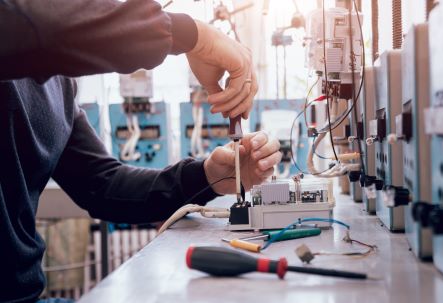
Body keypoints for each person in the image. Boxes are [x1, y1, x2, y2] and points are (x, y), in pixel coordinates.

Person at [0, 0, 282, 302]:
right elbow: (45, 26)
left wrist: (208, 176)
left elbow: (102, 184)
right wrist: (196, 36)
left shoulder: (58, 83)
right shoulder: (19, 27)